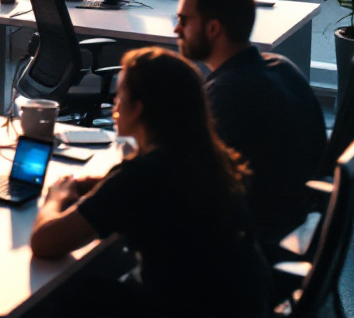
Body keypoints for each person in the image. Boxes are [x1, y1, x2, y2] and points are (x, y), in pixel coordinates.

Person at [31, 48, 271, 318]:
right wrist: (101, 184)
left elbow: (44, 242)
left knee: (55, 294)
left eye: (120, 95)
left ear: (138, 108)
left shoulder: (141, 176)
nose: (114, 104)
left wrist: (56, 196)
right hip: (239, 305)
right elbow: (160, 190)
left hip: (177, 309)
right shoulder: (208, 157)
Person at [174, 0, 326, 253]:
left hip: (246, 249)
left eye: (183, 20)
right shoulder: (280, 66)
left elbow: (185, 186)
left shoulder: (229, 93)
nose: (176, 30)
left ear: (213, 29)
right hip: (294, 225)